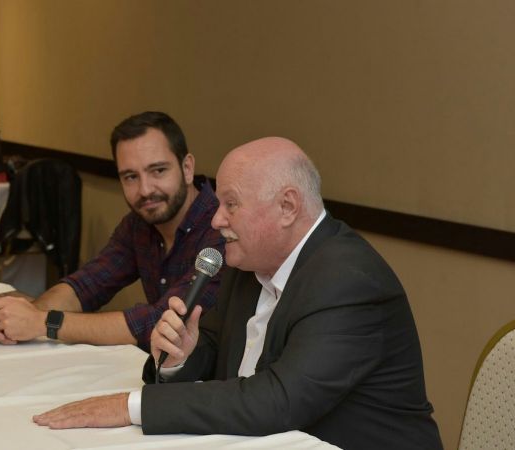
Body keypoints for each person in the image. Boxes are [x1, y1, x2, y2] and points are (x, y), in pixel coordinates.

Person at [32, 137, 443, 450]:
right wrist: (182, 358)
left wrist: (130, 407)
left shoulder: (348, 282)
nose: (217, 217)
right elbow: (214, 355)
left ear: (287, 207)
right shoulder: (245, 262)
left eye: (231, 204)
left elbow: (277, 400)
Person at [0, 112, 224, 351]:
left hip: (214, 385)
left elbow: (159, 322)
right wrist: (16, 318)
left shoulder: (221, 228)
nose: (145, 189)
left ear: (187, 168)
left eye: (158, 170)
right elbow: (87, 284)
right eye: (130, 177)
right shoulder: (139, 224)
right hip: (160, 373)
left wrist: (43, 322)